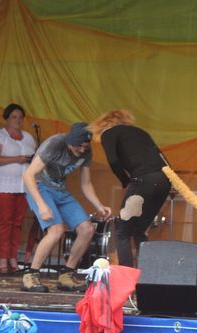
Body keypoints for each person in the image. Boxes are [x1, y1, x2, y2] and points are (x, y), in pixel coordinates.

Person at [22, 122, 112, 292]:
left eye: (85, 146)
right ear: (70, 140)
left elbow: (86, 183)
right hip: (39, 187)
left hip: (60, 190)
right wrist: (41, 204)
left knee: (87, 229)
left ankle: (66, 275)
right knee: (56, 230)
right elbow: (28, 175)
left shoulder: (86, 151)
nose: (82, 150)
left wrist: (99, 205)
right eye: (79, 146)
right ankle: (30, 275)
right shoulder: (55, 143)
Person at [89, 110, 171, 267]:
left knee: (122, 231)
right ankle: (147, 274)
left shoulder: (108, 133)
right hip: (164, 181)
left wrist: (125, 181)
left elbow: (113, 161)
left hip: (143, 180)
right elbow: (161, 158)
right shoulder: (140, 132)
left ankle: (126, 275)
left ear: (103, 123)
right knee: (139, 230)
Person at [0, 103, 36, 274]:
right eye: (14, 117)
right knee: (5, 222)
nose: (18, 120)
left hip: (23, 185)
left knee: (17, 223)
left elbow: (34, 158)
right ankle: (2, 259)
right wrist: (17, 159)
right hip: (4, 184)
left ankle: (13, 258)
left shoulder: (28, 137)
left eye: (20, 117)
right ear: (6, 118)